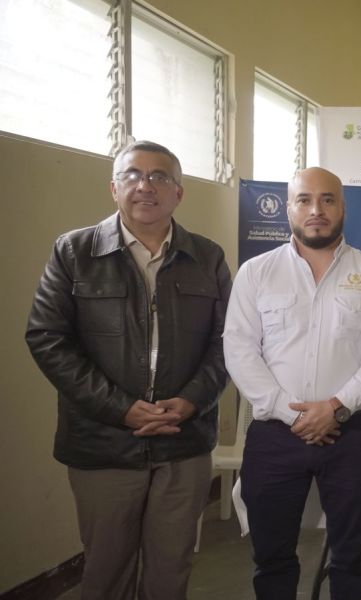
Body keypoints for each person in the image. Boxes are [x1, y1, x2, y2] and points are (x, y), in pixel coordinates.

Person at [25, 140, 231, 600]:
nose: (145, 185)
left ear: (178, 193)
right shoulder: (74, 252)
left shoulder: (208, 256)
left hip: (185, 441)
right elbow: (47, 337)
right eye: (132, 175)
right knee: (106, 570)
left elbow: (227, 343)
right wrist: (122, 410)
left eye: (160, 176)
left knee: (171, 568)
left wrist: (193, 400)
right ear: (113, 189)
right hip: (103, 444)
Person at [223, 167, 361, 600]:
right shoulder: (256, 273)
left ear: (343, 207)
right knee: (272, 556)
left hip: (349, 434)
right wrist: (291, 412)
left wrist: (336, 407)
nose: (315, 210)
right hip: (274, 436)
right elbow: (240, 350)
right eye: (304, 200)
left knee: (351, 554)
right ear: (289, 208)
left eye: (327, 200)